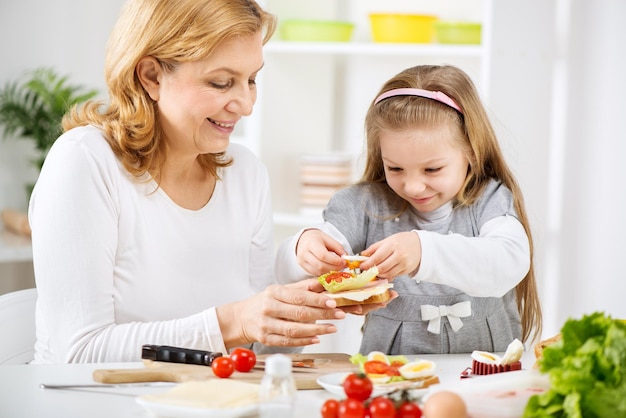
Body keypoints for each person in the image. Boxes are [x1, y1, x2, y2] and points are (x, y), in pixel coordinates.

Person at [27, 0, 348, 364]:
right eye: (221, 82)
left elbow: (257, 352)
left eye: (252, 80)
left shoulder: (245, 174)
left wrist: (303, 300)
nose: (245, 104)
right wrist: (233, 322)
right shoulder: (85, 161)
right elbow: (76, 352)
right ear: (151, 76)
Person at [276, 64, 543, 355]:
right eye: (396, 168)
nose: (413, 186)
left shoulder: (489, 200)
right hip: (387, 378)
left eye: (432, 168)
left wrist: (423, 251)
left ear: (471, 152)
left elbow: (510, 260)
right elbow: (286, 272)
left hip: (485, 378)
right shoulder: (363, 204)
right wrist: (303, 248)